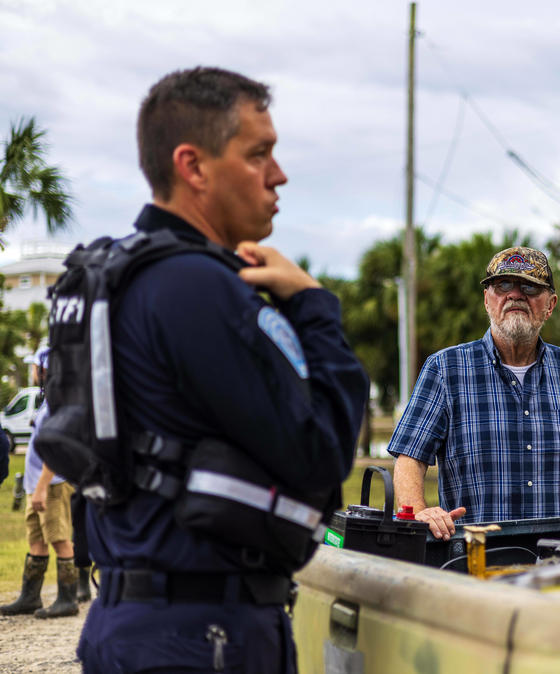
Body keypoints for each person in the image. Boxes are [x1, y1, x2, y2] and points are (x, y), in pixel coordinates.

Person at [74, 67, 368, 673]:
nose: (278, 175)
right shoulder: (198, 289)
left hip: (133, 620)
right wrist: (314, 304)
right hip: (202, 635)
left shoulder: (121, 273)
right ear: (194, 166)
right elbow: (322, 451)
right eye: (259, 154)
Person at [389, 246, 560, 540]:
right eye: (503, 286)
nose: (515, 295)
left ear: (550, 304)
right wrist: (419, 511)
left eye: (530, 287)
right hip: (475, 560)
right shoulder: (446, 369)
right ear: (487, 300)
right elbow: (410, 457)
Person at [0, 346, 79, 619]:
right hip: (38, 483)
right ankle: (30, 596)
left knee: (58, 537)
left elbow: (56, 447)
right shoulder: (48, 400)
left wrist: (43, 486)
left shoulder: (59, 401)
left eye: (35, 366)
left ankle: (68, 598)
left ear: (44, 368)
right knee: (36, 538)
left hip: (52, 482)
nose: (33, 372)